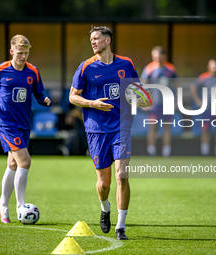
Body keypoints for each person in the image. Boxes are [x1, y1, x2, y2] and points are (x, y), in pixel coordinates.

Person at [69, 26, 147, 240]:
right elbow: (73, 97)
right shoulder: (86, 67)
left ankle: (120, 227)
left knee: (122, 175)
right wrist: (92, 103)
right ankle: (105, 208)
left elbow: (136, 92)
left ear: (108, 40)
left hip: (121, 127)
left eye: (96, 38)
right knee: (104, 184)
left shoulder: (126, 64)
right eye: (91, 39)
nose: (93, 42)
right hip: (96, 129)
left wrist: (143, 100)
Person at [0, 34, 51, 223]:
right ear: (12, 51)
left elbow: (38, 93)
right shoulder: (0, 70)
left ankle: (2, 203)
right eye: (20, 53)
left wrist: (44, 100)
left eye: (26, 53)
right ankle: (21, 206)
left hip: (24, 124)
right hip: (6, 124)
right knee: (25, 162)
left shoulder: (33, 71)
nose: (23, 57)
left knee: (13, 164)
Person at [141, 46, 178, 157]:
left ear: (164, 56)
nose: (156, 58)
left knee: (167, 127)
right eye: (154, 56)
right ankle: (151, 151)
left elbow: (177, 86)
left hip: (167, 103)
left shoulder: (171, 69)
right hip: (154, 104)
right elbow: (142, 85)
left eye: (158, 56)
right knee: (152, 127)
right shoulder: (149, 68)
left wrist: (176, 102)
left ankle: (166, 151)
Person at [191, 58, 216, 156]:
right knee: (205, 129)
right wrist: (198, 101)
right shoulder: (203, 77)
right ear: (208, 66)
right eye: (212, 65)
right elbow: (193, 87)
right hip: (207, 109)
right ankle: (205, 152)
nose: (214, 67)